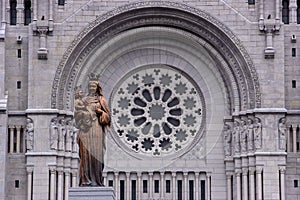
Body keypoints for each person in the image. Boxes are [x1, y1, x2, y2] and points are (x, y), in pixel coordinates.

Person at [75, 78, 110, 186]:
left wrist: (100, 113)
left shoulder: (102, 101)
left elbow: (108, 118)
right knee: (85, 156)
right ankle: (86, 180)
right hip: (85, 131)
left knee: (97, 155)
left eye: (93, 86)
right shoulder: (83, 101)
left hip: (97, 130)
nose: (91, 88)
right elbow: (77, 117)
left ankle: (97, 180)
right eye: (90, 86)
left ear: (97, 88)